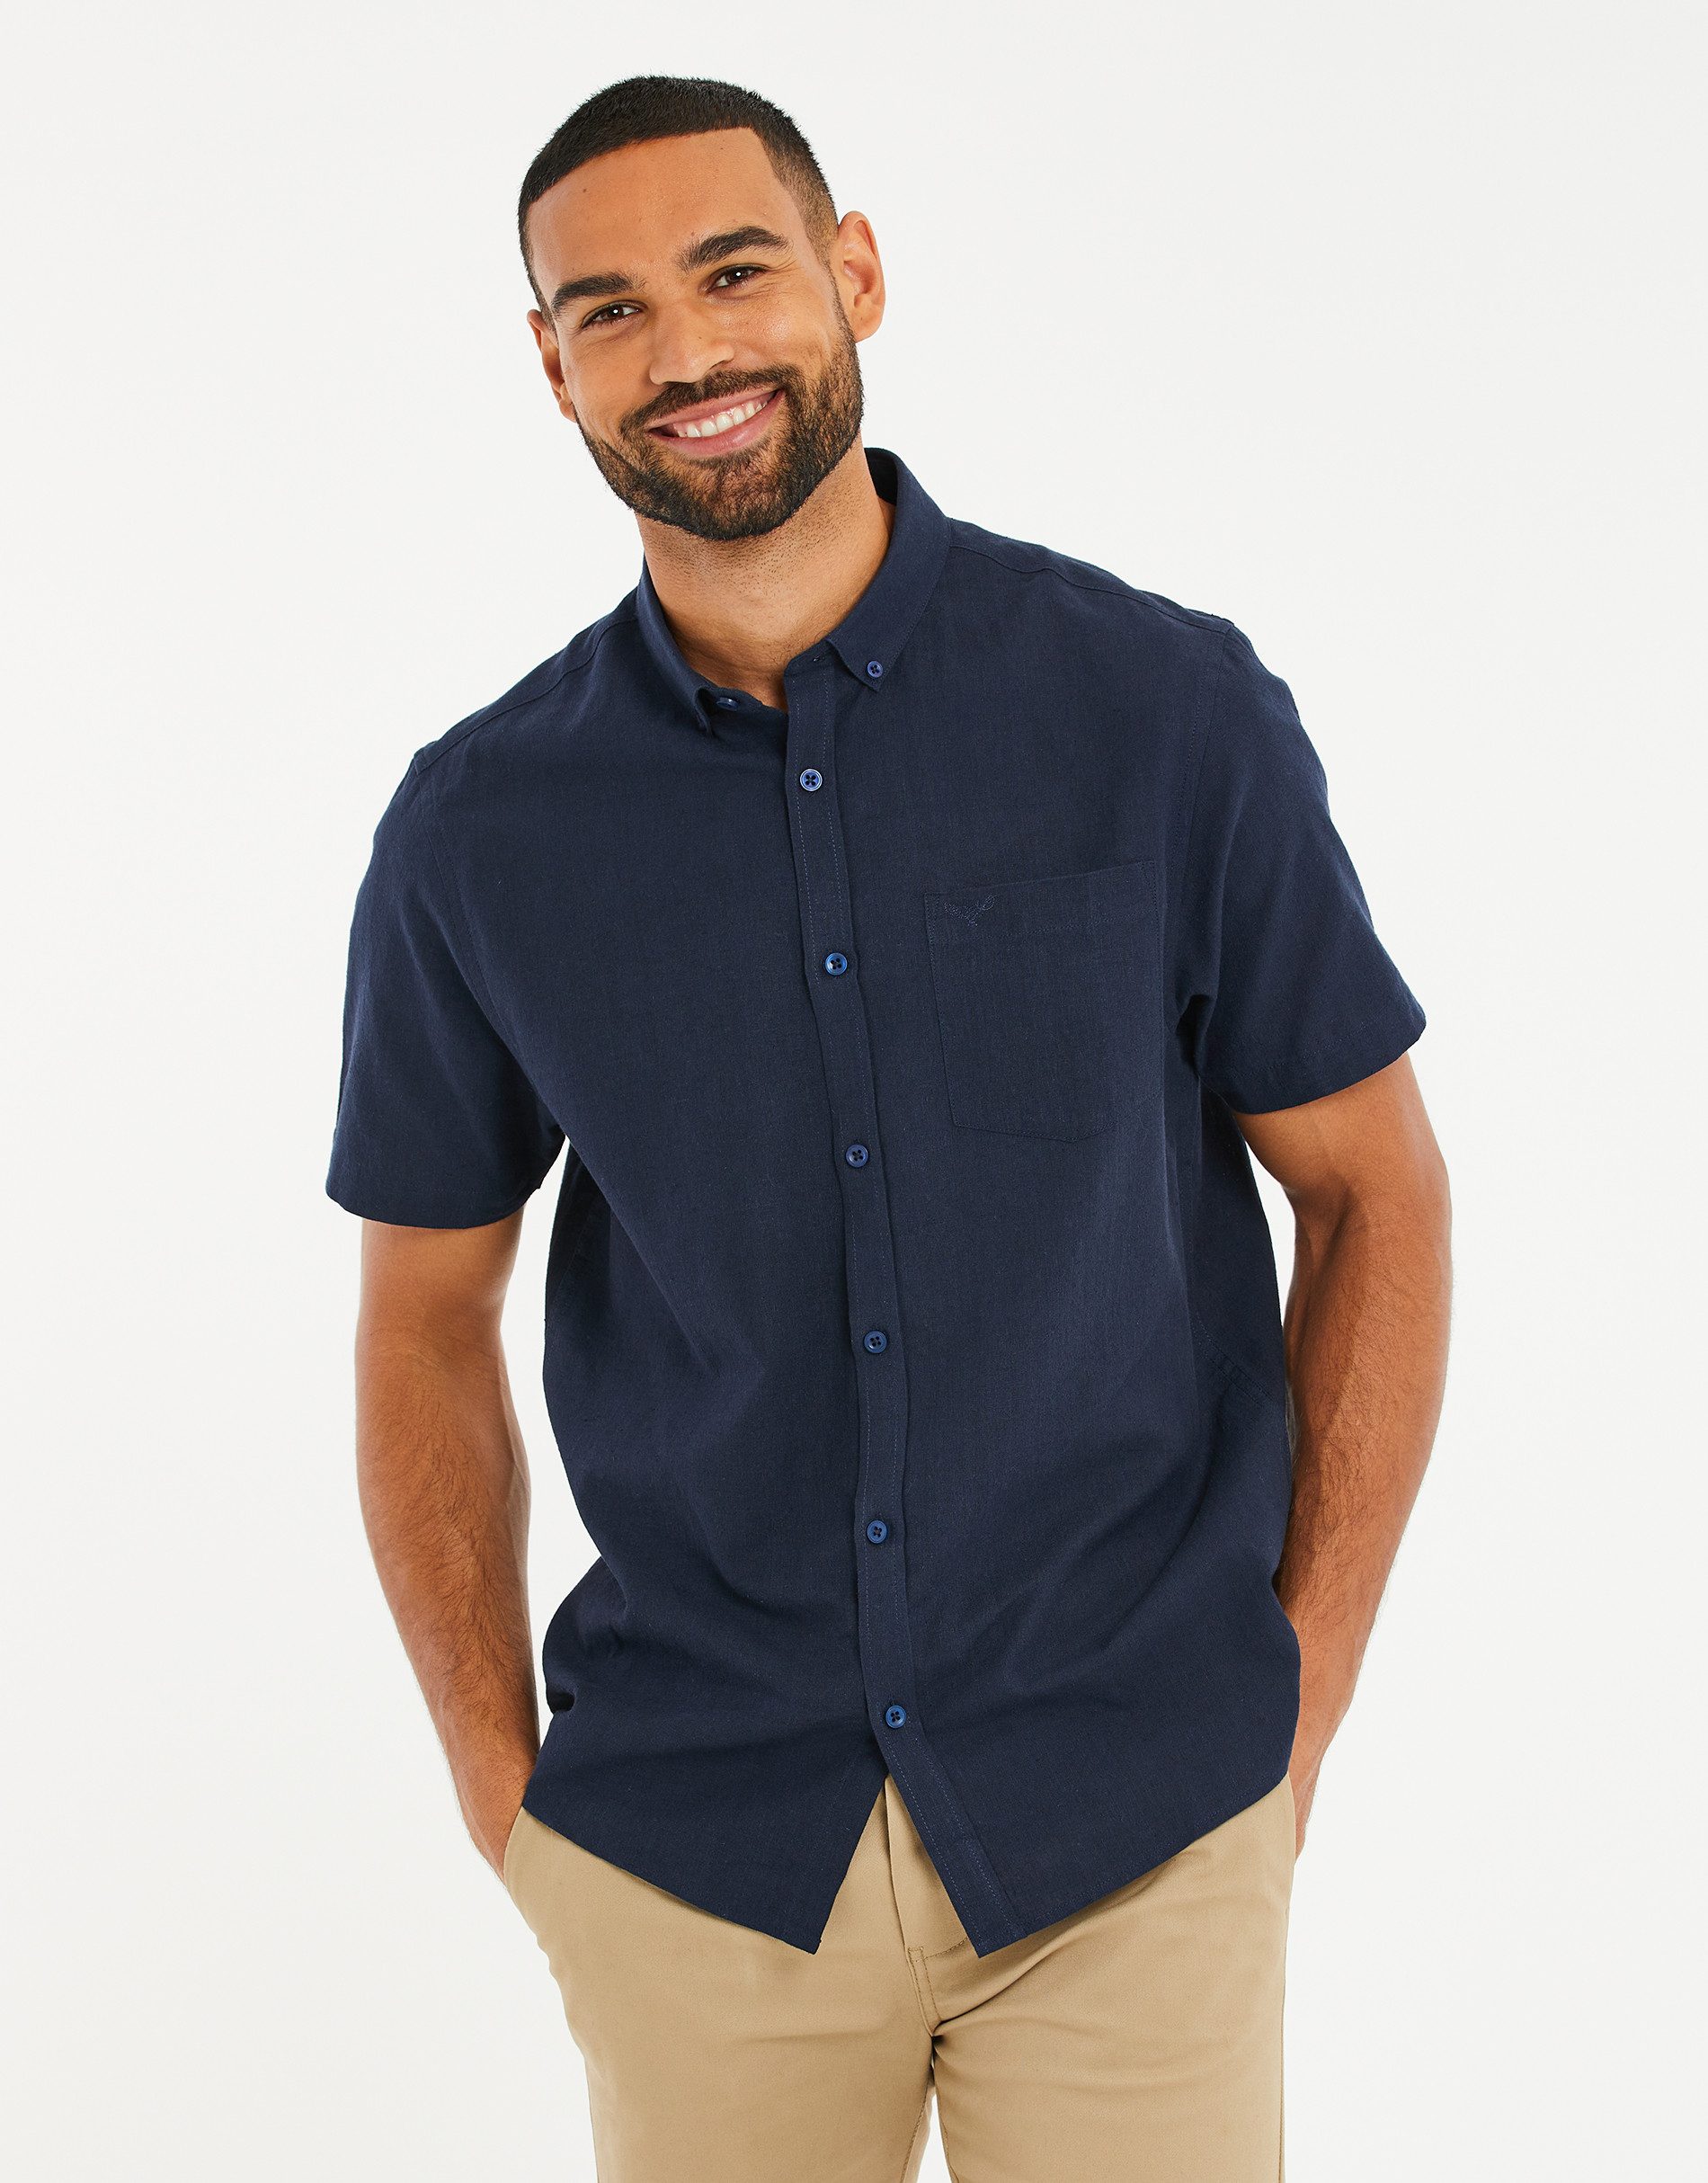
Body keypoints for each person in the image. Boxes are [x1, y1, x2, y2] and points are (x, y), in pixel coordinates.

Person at [326, 71, 1452, 2183]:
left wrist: (1289, 1697)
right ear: (551, 364)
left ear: (851, 273)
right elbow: (419, 1314)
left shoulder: (1160, 713)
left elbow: (1369, 1185)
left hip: (1134, 1813)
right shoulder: (478, 829)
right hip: (701, 1847)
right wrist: (503, 1787)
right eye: (608, 310)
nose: (686, 351)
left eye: (733, 271)